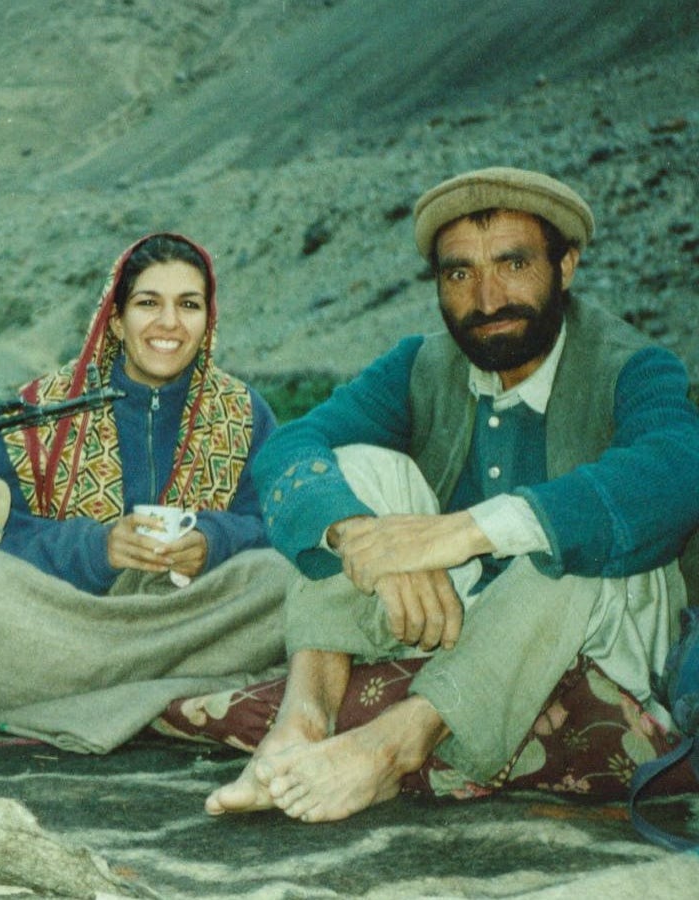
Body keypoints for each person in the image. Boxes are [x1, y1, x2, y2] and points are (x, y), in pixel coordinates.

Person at [206, 166, 699, 822]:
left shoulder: (632, 367)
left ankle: (394, 747)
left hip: (603, 633)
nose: (487, 297)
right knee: (352, 467)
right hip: (456, 623)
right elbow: (292, 448)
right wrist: (361, 535)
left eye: (514, 263)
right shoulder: (422, 365)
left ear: (567, 266)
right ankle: (303, 718)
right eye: (459, 273)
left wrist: (463, 532)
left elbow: (677, 468)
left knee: (567, 541)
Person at [0, 233, 295, 753]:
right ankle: (172, 689)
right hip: (74, 610)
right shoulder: (40, 409)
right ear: (116, 320)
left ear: (208, 319)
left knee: (281, 578)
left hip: (187, 607)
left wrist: (213, 539)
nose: (169, 323)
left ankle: (71, 694)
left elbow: (275, 521)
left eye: (188, 305)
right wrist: (98, 548)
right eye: (148, 303)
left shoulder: (243, 412)